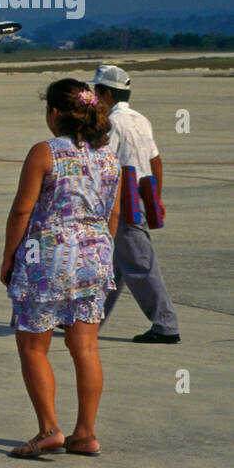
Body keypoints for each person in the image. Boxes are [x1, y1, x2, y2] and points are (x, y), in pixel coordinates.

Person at [2, 79, 120, 458]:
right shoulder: (110, 158)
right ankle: (85, 433)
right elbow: (114, 213)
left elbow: (22, 210)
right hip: (96, 254)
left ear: (54, 114)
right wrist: (103, 250)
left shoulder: (45, 152)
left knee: (33, 346)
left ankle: (49, 429)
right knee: (85, 346)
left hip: (48, 257)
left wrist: (9, 256)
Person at [89, 64, 181, 344]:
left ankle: (165, 325)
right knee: (114, 265)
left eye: (96, 93)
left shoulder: (112, 123)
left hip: (123, 201)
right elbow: (155, 160)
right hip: (141, 195)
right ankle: (90, 318)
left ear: (105, 94)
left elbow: (104, 162)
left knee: (140, 264)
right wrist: (157, 198)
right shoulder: (142, 120)